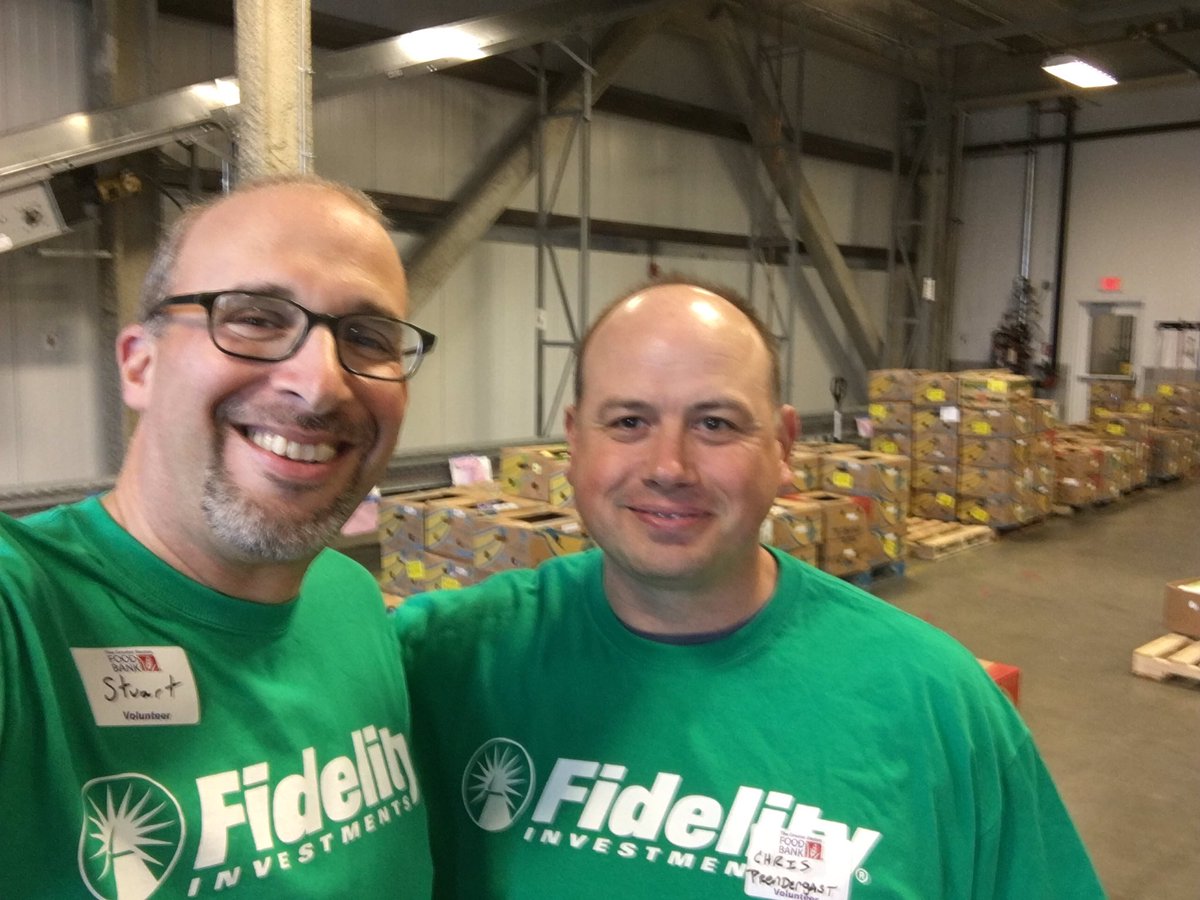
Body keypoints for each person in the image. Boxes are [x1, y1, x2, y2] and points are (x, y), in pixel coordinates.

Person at [395, 280, 1106, 898]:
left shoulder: (935, 706)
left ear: (784, 448)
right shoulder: (451, 661)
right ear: (575, 442)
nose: (669, 464)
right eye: (630, 421)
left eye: (715, 424)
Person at [0, 175, 435, 898]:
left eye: (367, 336)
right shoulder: (24, 616)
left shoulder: (351, 600)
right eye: (257, 317)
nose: (319, 384)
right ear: (140, 363)